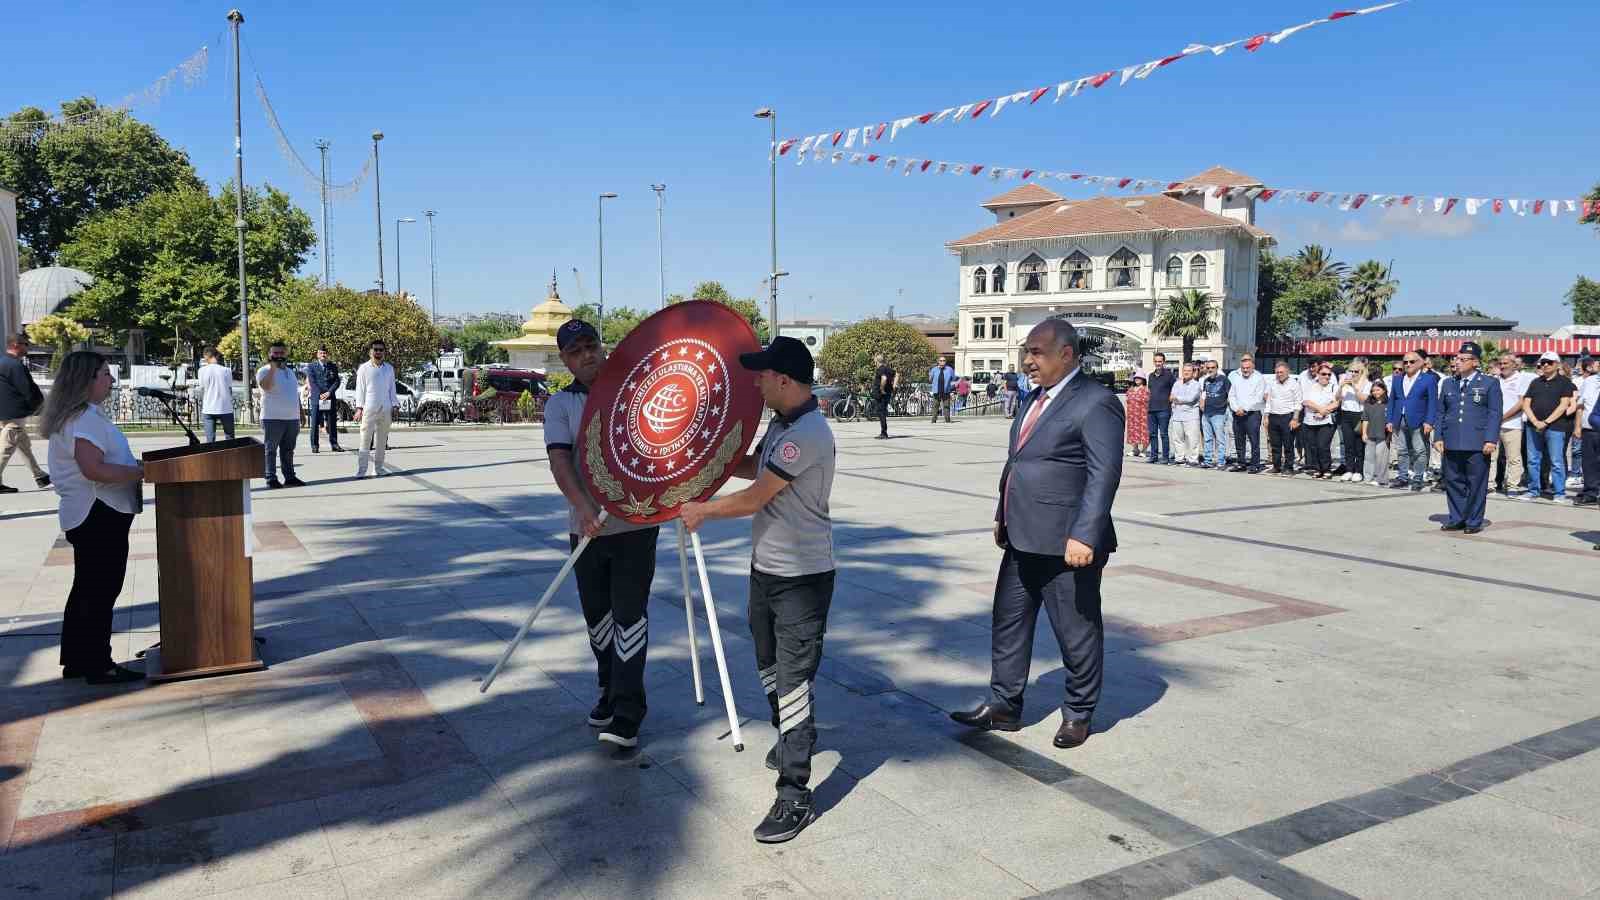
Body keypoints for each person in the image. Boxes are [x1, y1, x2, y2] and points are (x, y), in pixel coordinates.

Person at [679, 336, 836, 844]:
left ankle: (794, 791)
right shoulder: (781, 425)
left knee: (792, 680)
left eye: (762, 375)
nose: (756, 382)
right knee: (769, 668)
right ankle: (793, 736)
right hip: (766, 571)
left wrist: (704, 509)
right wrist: (710, 459)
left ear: (785, 380)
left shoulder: (807, 434)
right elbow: (754, 466)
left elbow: (756, 496)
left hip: (801, 579)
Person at [951, 319, 1123, 753]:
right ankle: (1004, 704)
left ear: (1066, 354)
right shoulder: (1034, 399)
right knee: (1008, 622)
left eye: (1037, 352)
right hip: (1021, 535)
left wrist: (1085, 534)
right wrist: (1001, 513)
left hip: (1067, 543)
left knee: (1076, 629)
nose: (1028, 360)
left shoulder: (1096, 402)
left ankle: (1078, 713)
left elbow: (1104, 476)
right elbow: (1018, 462)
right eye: (1027, 351)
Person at [543, 318, 659, 749]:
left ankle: (629, 712)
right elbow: (561, 463)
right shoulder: (560, 406)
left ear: (602, 347)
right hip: (586, 529)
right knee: (599, 621)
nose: (586, 356)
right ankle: (609, 690)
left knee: (630, 618)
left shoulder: (635, 395)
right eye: (575, 351)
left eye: (591, 346)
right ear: (565, 360)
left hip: (635, 527)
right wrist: (585, 508)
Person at [40, 351, 145, 684]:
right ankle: (99, 663)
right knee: (100, 590)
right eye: (105, 374)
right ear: (86, 379)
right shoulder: (84, 418)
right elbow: (93, 469)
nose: (111, 381)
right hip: (97, 513)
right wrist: (140, 472)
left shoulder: (78, 416)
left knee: (86, 589)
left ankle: (78, 658)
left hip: (90, 514)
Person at [1432, 342, 1501, 533]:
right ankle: (1456, 517)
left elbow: (1494, 413)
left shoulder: (1489, 383)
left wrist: (1490, 439)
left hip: (1477, 442)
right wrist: (1438, 436)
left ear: (1475, 362)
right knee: (1453, 482)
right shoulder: (1448, 383)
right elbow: (1440, 412)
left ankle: (1473, 520)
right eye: (1457, 358)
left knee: (1476, 484)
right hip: (1452, 441)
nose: (1458, 362)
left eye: (1463, 359)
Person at [1522, 351, 1576, 503]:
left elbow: (1564, 404)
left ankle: (1559, 492)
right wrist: (1535, 421)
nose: (1545, 365)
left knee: (1556, 461)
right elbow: (1526, 404)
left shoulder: (1564, 382)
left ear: (1557, 364)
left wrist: (1545, 422)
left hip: (1555, 427)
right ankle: (1533, 490)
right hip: (1533, 427)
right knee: (1532, 460)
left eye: (1549, 362)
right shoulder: (1535, 382)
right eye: (1543, 362)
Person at [0, 332, 50, 493]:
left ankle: (39, 475)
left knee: (23, 445)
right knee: (7, 447)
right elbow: (27, 389)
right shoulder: (15, 365)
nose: (27, 347)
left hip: (6, 412)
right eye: (25, 344)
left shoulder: (3, 362)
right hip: (14, 414)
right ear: (15, 345)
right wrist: (39, 405)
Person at [1386, 349, 1438, 492]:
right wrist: (1389, 419)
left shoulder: (1429, 379)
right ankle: (1403, 477)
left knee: (1419, 450)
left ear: (1420, 363)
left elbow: (1433, 402)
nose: (1408, 364)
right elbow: (1392, 401)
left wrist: (1429, 421)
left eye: (1411, 361)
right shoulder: (1397, 379)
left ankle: (1418, 478)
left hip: (1419, 420)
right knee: (1402, 450)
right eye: (1405, 362)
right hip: (1399, 419)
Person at [255, 342, 304, 489]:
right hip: (272, 418)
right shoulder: (264, 371)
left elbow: (294, 394)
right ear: (269, 355)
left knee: (288, 450)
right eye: (275, 353)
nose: (278, 356)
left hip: (291, 418)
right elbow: (266, 387)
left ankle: (289, 477)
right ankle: (271, 478)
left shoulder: (290, 372)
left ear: (286, 354)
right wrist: (273, 368)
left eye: (281, 353)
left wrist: (300, 412)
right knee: (271, 450)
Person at [354, 340, 398, 478]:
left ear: (384, 352)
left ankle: (378, 469)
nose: (378, 352)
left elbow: (392, 389)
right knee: (365, 440)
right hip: (369, 408)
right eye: (375, 350)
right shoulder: (364, 368)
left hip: (385, 408)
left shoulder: (389, 368)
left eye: (381, 350)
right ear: (370, 352)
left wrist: (395, 404)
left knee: (381, 441)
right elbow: (360, 390)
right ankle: (361, 470)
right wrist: (359, 408)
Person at [1495, 353, 1533, 498]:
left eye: (1506, 363)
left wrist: (1502, 417)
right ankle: (1491, 484)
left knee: (1514, 457)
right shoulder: (1495, 380)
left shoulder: (1521, 379)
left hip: (1513, 424)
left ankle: (1512, 485)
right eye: (1501, 363)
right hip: (1494, 424)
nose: (1503, 366)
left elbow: (1521, 403)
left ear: (1514, 364)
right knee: (1492, 457)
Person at [1227, 353, 1266, 473]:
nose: (1245, 370)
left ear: (1252, 367)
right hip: (1237, 413)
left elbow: (1258, 398)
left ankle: (1255, 464)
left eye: (1248, 368)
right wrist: (1236, 408)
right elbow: (1231, 395)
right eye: (1243, 368)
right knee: (1239, 439)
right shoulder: (1237, 378)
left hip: (1252, 414)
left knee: (1254, 440)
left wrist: (1244, 409)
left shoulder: (1259, 378)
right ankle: (1241, 463)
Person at [1265, 361, 1303, 476]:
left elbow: (1298, 402)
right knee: (1275, 444)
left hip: (1288, 416)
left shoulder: (1294, 384)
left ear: (1288, 372)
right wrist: (1266, 416)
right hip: (1274, 416)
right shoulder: (1272, 383)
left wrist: (1295, 419)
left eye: (1281, 372)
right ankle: (1276, 466)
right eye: (1277, 372)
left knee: (1288, 444)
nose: (1279, 374)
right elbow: (1269, 401)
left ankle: (1288, 467)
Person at [1335, 362, 1370, 481]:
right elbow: (1337, 398)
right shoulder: (1344, 382)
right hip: (1346, 414)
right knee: (1348, 444)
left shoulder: (1367, 383)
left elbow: (1364, 399)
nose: (1353, 374)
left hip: (1359, 415)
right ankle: (1349, 469)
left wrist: (1354, 386)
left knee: (1359, 445)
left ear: (1362, 372)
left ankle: (1359, 471)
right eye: (1351, 371)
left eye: (1356, 371)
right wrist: (1341, 387)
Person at [193, 348, 237, 443]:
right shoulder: (226, 370)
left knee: (210, 440)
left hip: (209, 407)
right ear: (217, 356)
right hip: (225, 408)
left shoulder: (202, 370)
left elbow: (202, 387)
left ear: (206, 357)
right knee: (230, 439)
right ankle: (230, 457)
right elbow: (229, 389)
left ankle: (212, 457)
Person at [1301, 366, 1338, 478]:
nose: (1326, 376)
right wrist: (1320, 409)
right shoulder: (1311, 386)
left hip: (1326, 421)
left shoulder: (1333, 387)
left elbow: (1336, 403)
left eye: (1329, 374)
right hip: (1310, 420)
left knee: (1323, 445)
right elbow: (1306, 401)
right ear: (1318, 374)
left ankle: (1326, 469)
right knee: (1313, 446)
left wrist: (1323, 412)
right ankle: (1317, 468)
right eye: (1323, 374)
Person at [306, 345, 344, 453]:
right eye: (321, 353)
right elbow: (312, 382)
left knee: (331, 422)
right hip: (317, 398)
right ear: (317, 354)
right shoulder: (312, 366)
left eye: (325, 353)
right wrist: (321, 394)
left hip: (329, 397)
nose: (323, 355)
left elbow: (337, 381)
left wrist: (329, 392)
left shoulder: (332, 366)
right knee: (315, 422)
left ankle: (334, 444)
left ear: (327, 354)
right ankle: (314, 445)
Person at [1169, 362, 1202, 465]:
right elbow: (1171, 397)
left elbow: (1191, 398)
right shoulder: (1177, 383)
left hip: (1190, 416)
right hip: (1177, 415)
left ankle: (1193, 459)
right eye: (1184, 371)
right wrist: (1177, 399)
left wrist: (1177, 398)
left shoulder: (1196, 384)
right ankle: (1180, 458)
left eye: (1189, 371)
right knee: (1177, 438)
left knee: (1192, 439)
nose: (1186, 373)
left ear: (1193, 373)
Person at [1199, 359, 1230, 470]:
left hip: (1219, 413)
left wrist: (1225, 407)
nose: (1210, 369)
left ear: (1217, 368)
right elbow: (1203, 394)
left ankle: (1221, 461)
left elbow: (1230, 394)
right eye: (1208, 368)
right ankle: (1208, 460)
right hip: (1206, 413)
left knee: (1220, 439)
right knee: (1207, 438)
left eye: (1213, 367)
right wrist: (1202, 403)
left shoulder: (1224, 379)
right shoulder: (1206, 380)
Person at [1145, 352, 1175, 464]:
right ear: (1154, 362)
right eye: (1156, 361)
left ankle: (1165, 457)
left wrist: (1171, 399)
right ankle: (1154, 456)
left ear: (1163, 362)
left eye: (1160, 361)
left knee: (1163, 434)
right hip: (1151, 409)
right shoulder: (1151, 376)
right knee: (1152, 434)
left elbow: (1175, 388)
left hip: (1164, 409)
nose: (1158, 363)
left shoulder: (1169, 375)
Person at [1577, 357, 1600, 506]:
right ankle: (1590, 492)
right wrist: (1577, 426)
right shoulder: (1589, 382)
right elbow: (1580, 405)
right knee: (1589, 462)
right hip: (1589, 429)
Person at [1361, 381, 1392, 487]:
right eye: (1373, 390)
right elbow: (1365, 419)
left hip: (1383, 434)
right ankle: (1368, 477)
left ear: (1384, 390)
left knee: (1381, 457)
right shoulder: (1369, 402)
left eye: (1378, 390)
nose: (1375, 392)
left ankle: (1381, 479)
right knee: (1369, 457)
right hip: (1371, 433)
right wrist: (1364, 433)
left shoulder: (1389, 403)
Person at [1123, 374, 1149, 458]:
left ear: (1143, 379)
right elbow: (1128, 401)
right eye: (1136, 378)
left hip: (1142, 414)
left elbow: (1148, 401)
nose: (1137, 379)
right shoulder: (1130, 389)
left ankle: (1144, 450)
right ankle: (1135, 449)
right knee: (1132, 432)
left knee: (1144, 432)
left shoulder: (1146, 390)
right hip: (1132, 414)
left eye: (1139, 378)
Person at [872, 353, 895, 439]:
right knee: (882, 412)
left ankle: (884, 433)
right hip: (887, 394)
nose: (874, 362)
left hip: (881, 395)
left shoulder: (880, 369)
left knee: (881, 413)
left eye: (874, 360)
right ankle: (883, 432)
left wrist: (881, 389)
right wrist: (894, 386)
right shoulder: (888, 369)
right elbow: (897, 375)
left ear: (877, 361)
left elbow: (884, 378)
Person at [928, 355, 956, 424]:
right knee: (935, 406)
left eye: (944, 361)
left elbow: (953, 378)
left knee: (946, 406)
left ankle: (947, 420)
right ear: (938, 362)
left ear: (945, 362)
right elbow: (930, 379)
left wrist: (950, 386)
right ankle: (933, 420)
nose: (942, 362)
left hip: (946, 390)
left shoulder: (949, 369)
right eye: (941, 361)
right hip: (936, 390)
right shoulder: (934, 369)